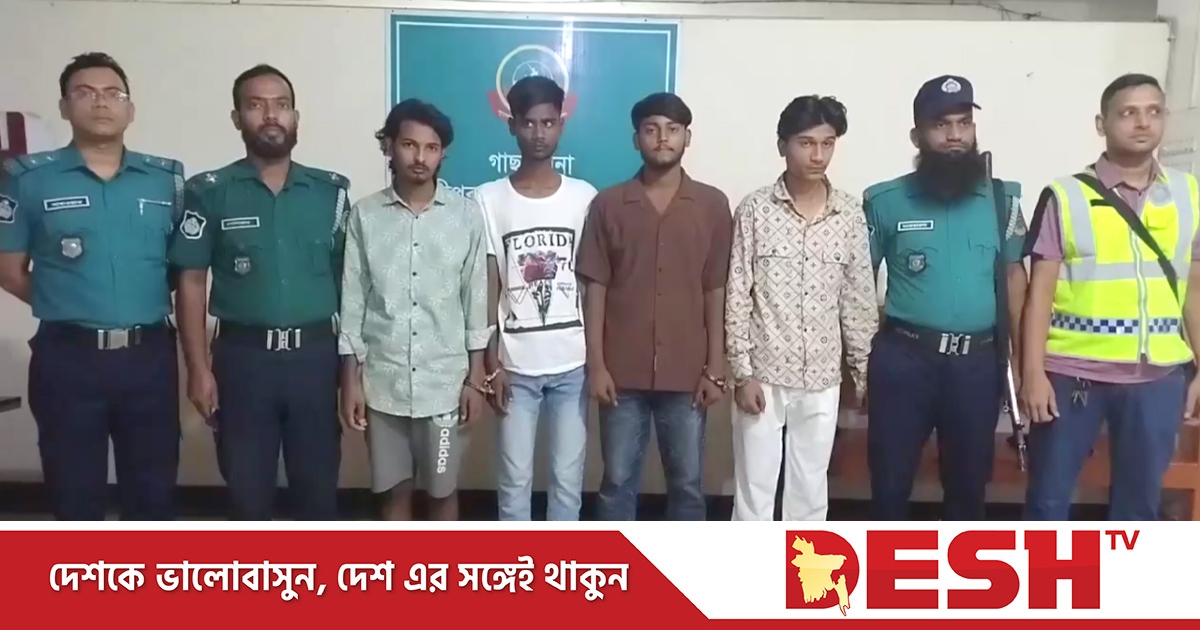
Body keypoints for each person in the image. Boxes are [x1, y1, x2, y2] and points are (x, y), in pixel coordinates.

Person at [0, 53, 184, 520]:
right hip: (68, 358)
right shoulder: (29, 179)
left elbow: (183, 269)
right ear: (65, 107)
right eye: (85, 93)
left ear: (130, 109)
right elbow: (9, 269)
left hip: (149, 357)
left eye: (112, 93)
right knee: (73, 494)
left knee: (153, 495)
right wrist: (70, 302)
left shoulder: (165, 182)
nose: (101, 102)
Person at [170, 65, 348, 521]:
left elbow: (350, 287)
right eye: (256, 105)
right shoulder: (210, 192)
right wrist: (197, 369)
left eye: (281, 105)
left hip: (315, 360)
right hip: (243, 362)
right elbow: (191, 281)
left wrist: (353, 372)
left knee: (319, 496)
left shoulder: (329, 193)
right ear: (237, 118)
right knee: (248, 497)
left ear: (295, 117)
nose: (271, 115)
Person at [1020, 73, 1200, 521]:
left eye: (1153, 112)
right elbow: (1039, 293)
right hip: (1073, 375)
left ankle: (1125, 571)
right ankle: (1044, 572)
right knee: (1047, 501)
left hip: (1157, 377)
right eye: (1128, 113)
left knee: (1139, 508)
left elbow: (1193, 289)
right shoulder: (1066, 195)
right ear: (1102, 124)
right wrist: (1032, 373)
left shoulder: (1189, 193)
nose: (1142, 123)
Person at [863, 75, 1028, 520]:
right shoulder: (884, 201)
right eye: (941, 125)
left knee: (969, 490)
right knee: (889, 485)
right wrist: (860, 362)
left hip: (977, 366)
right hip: (903, 361)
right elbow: (858, 286)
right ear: (917, 135)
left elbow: (1015, 278)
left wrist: (1020, 361)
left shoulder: (1002, 200)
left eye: (964, 123)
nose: (955, 135)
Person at [577, 92, 733, 521]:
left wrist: (715, 367)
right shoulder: (609, 204)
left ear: (687, 138)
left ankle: (683, 563)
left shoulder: (712, 205)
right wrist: (597, 365)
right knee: (616, 482)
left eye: (673, 130)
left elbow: (715, 289)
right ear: (636, 139)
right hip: (620, 373)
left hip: (688, 373)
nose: (662, 138)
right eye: (651, 129)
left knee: (687, 483)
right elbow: (596, 287)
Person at [725, 96, 877, 522]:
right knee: (754, 490)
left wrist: (863, 374)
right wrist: (742, 373)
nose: (817, 155)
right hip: (764, 373)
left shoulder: (849, 213)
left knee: (810, 489)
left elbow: (858, 298)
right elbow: (737, 293)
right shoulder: (755, 209)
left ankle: (802, 566)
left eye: (827, 144)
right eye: (806, 143)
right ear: (783, 145)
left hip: (823, 377)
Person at [337, 99, 490, 521]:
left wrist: (475, 381)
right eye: (409, 144)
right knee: (393, 493)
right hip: (382, 387)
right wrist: (350, 382)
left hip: (445, 390)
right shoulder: (365, 215)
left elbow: (476, 301)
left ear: (443, 154)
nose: (420, 157)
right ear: (389, 146)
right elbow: (353, 301)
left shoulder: (465, 216)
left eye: (431, 147)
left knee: (442, 492)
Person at [475, 76, 597, 521]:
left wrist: (597, 358)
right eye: (528, 123)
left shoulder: (584, 197)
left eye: (548, 122)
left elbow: (592, 285)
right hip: (514, 366)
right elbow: (489, 284)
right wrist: (491, 363)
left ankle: (560, 560)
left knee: (568, 479)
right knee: (514, 481)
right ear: (512, 126)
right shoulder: (488, 198)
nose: (539, 133)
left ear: (561, 124)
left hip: (573, 364)